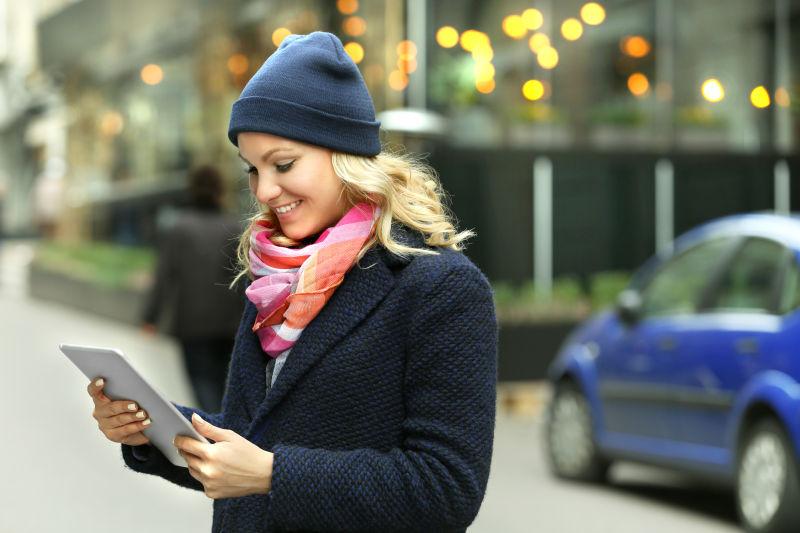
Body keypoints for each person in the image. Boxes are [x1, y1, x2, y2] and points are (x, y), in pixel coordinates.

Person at [86, 31, 497, 532]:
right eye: (252, 170)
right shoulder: (278, 279)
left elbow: (446, 487)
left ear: (344, 153)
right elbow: (252, 440)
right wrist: (150, 428)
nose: (264, 190)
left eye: (282, 165)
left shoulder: (441, 288)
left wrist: (273, 475)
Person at [142, 165, 244, 413]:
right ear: (221, 191)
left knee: (201, 382)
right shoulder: (233, 227)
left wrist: (150, 317)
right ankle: (223, 431)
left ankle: (213, 433)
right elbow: (245, 279)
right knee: (224, 383)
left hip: (192, 323)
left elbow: (164, 276)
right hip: (229, 323)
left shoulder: (179, 228)